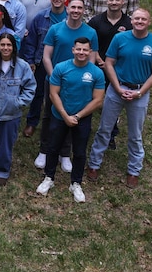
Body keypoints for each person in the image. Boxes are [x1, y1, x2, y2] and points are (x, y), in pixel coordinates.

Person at [87, 9, 152, 188]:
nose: (139, 21)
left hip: (139, 93)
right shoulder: (120, 39)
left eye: (143, 19)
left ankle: (134, 170)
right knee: (104, 128)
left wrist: (140, 92)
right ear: (132, 20)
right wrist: (116, 87)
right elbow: (109, 63)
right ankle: (94, 164)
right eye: (136, 18)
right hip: (117, 89)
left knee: (135, 134)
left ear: (149, 21)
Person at [36, 38, 105, 203]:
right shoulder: (61, 68)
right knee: (53, 148)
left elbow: (98, 100)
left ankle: (76, 183)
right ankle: (49, 178)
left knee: (80, 152)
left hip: (82, 118)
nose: (81, 53)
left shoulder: (96, 73)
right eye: (79, 49)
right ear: (73, 50)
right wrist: (65, 115)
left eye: (85, 50)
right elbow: (53, 94)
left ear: (90, 52)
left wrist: (77, 116)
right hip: (60, 116)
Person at [36, 0, 98, 171]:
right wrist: (54, 77)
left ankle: (65, 154)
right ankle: (44, 150)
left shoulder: (90, 32)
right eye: (73, 7)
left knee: (72, 117)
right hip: (54, 81)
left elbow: (92, 59)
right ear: (67, 8)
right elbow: (46, 56)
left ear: (83, 10)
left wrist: (85, 80)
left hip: (78, 85)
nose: (76, 10)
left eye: (80, 8)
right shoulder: (55, 29)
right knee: (50, 116)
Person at [0, 32, 36, 185]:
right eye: (2, 44)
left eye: (9, 45)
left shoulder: (22, 66)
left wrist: (18, 103)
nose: (5, 48)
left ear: (14, 47)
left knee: (6, 144)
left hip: (11, 115)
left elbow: (30, 88)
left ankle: (2, 170)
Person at [21, 0, 67, 138]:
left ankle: (60, 120)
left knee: (63, 93)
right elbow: (31, 40)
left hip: (64, 63)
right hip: (41, 61)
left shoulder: (71, 16)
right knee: (38, 93)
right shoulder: (41, 17)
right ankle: (32, 122)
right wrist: (30, 60)